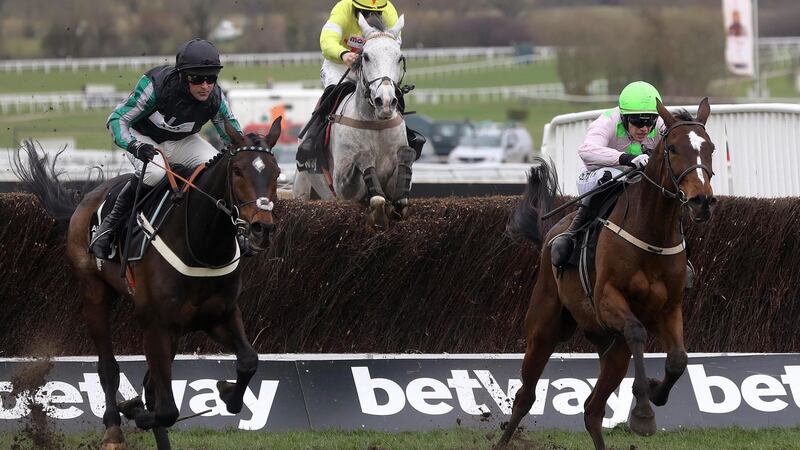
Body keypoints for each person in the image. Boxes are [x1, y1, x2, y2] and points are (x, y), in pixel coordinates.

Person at [90, 38, 244, 259]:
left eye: (211, 78)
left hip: (183, 141)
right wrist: (135, 146)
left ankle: (226, 228)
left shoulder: (215, 98)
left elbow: (234, 138)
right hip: (143, 137)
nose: (205, 86)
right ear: (182, 76)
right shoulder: (155, 86)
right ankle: (108, 227)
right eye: (197, 78)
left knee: (214, 166)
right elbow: (117, 119)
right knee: (155, 173)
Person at [550, 81, 665, 269]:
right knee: (610, 176)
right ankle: (572, 235)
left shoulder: (658, 124)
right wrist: (626, 158)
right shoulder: (607, 121)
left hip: (635, 181)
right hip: (596, 178)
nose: (644, 128)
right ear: (624, 116)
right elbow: (586, 150)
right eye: (638, 122)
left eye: (649, 121)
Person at [297, 0, 425, 167]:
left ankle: (406, 135)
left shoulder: (389, 9)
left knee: (393, 93)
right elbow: (327, 41)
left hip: (372, 64)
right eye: (364, 11)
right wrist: (343, 54)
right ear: (355, 6)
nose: (370, 15)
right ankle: (312, 137)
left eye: (376, 12)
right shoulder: (342, 8)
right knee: (333, 93)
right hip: (340, 65)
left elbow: (392, 47)